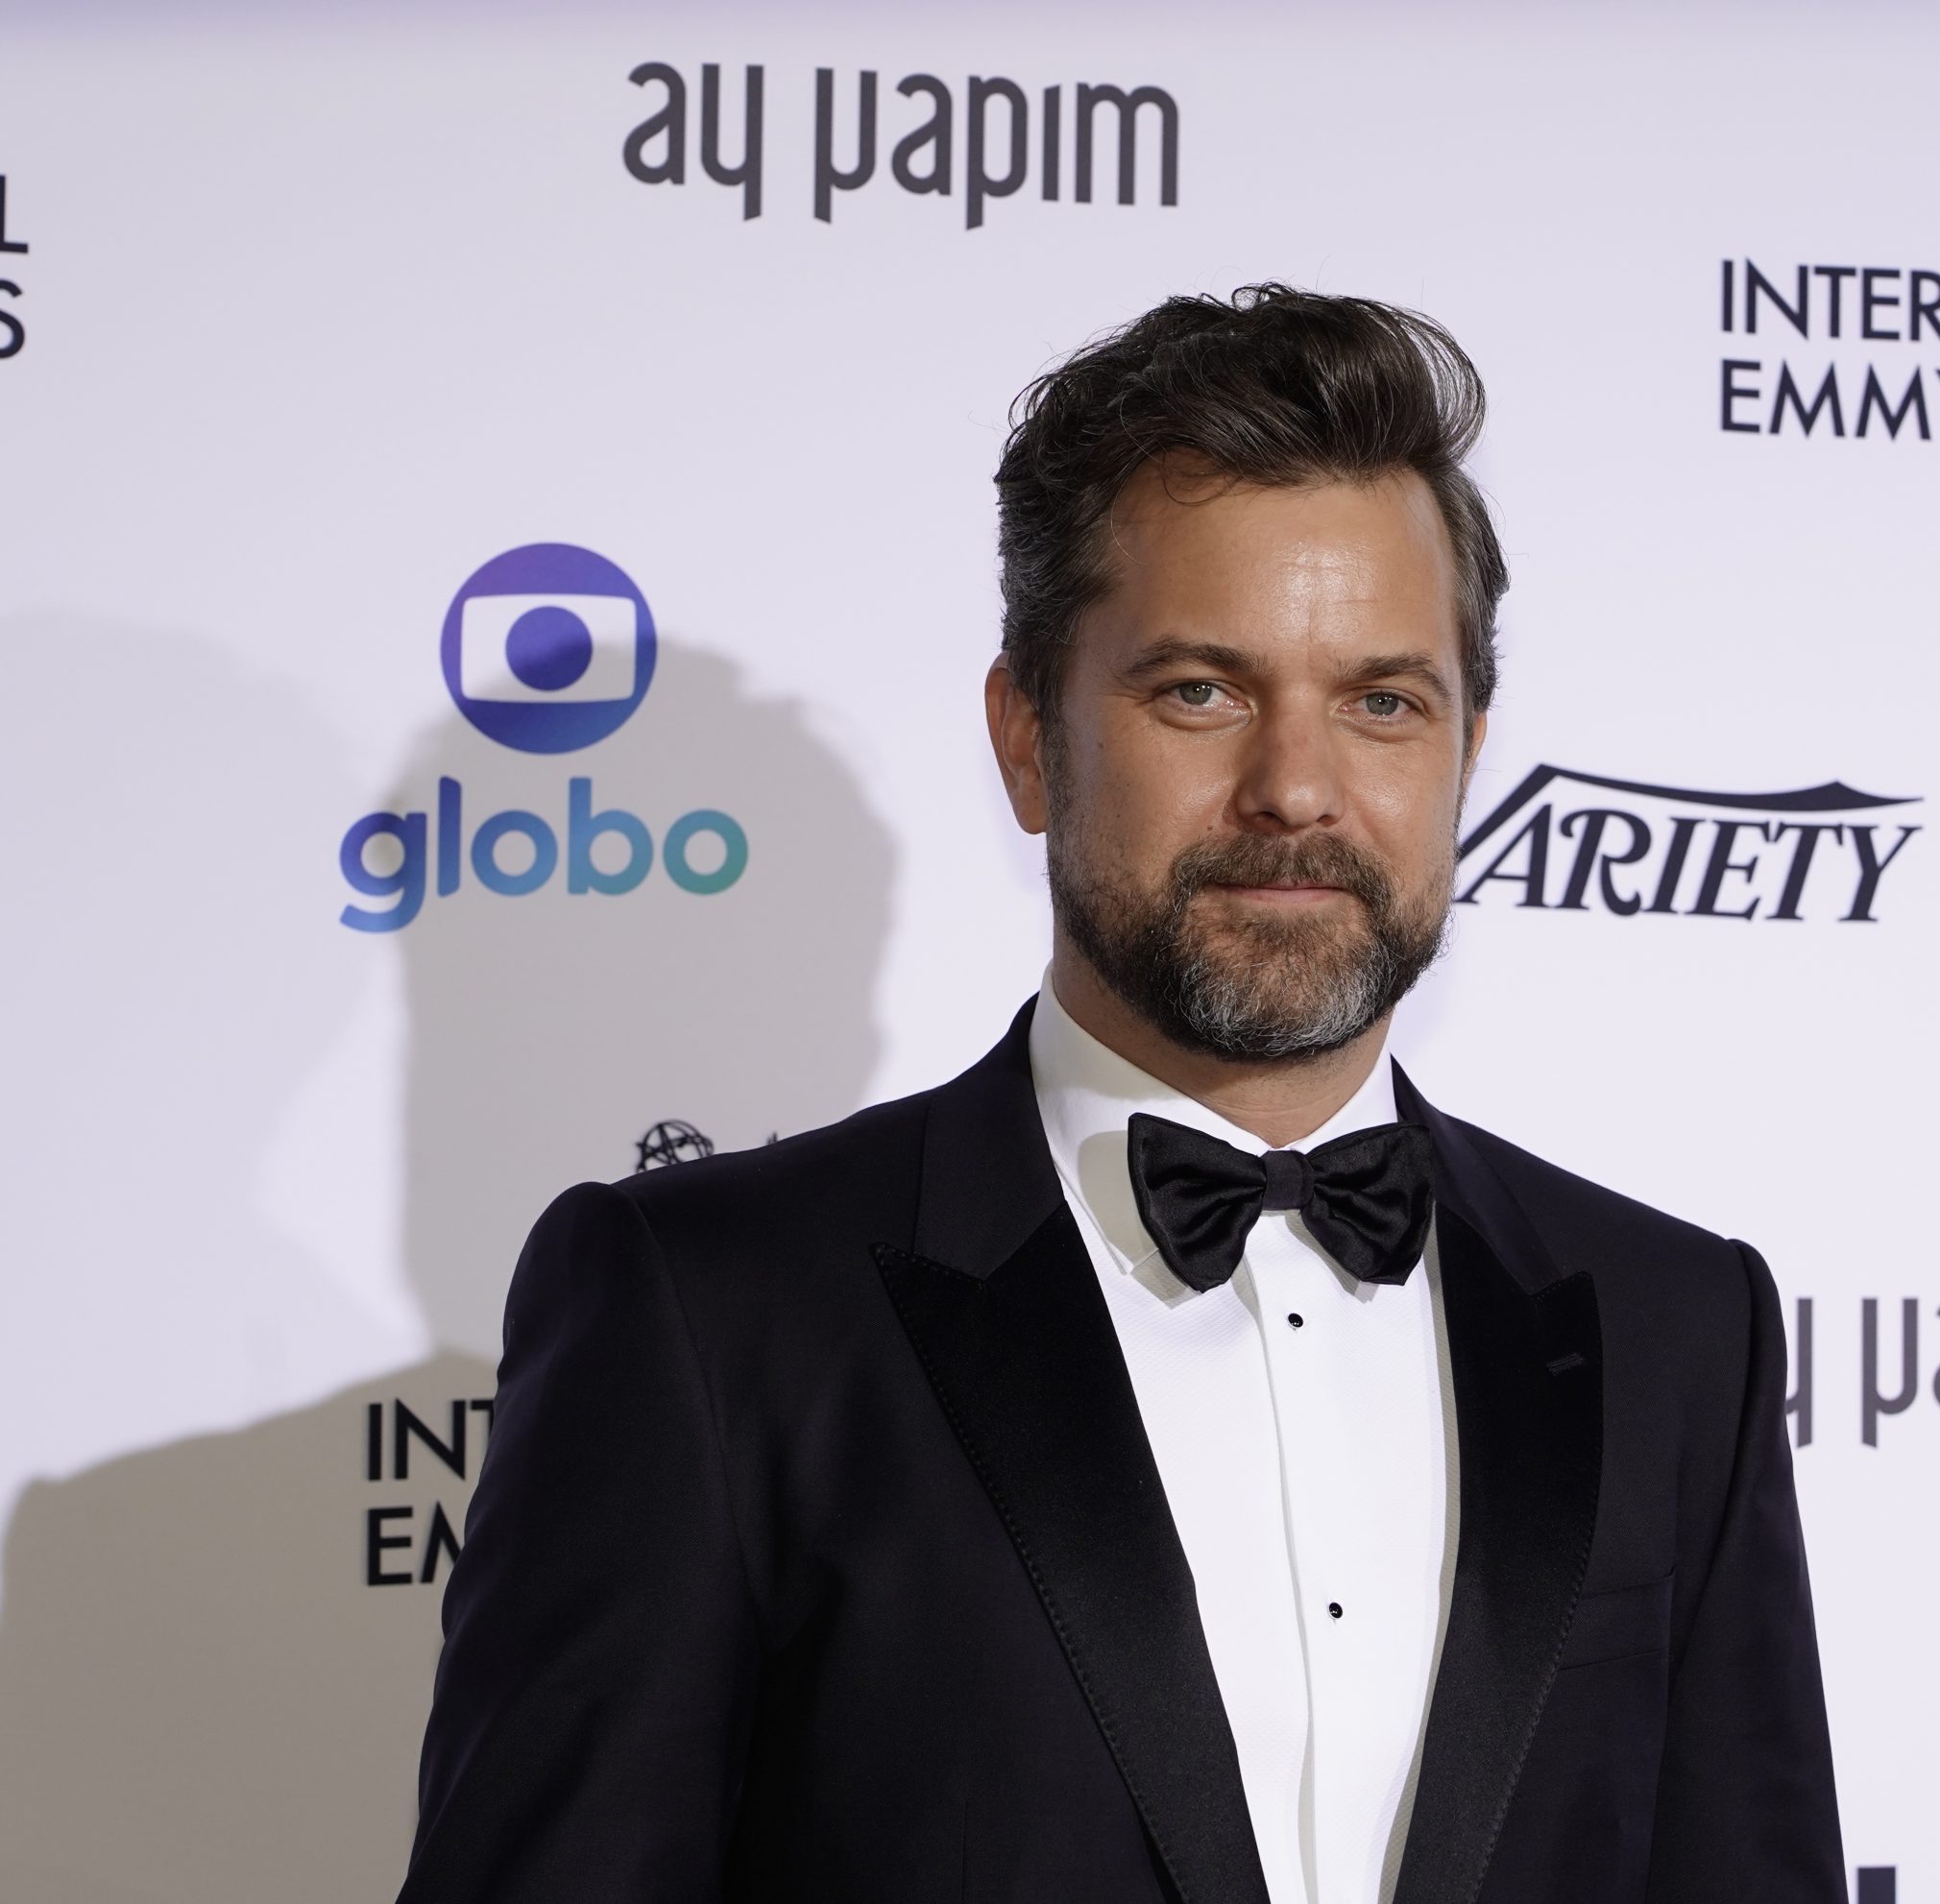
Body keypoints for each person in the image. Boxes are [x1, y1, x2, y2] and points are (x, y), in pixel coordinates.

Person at [399, 284, 1848, 1903]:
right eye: (1200, 692)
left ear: (1467, 752)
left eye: (1383, 702)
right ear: (1030, 738)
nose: (1296, 788)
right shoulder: (709, 1314)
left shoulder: (1677, 1328)